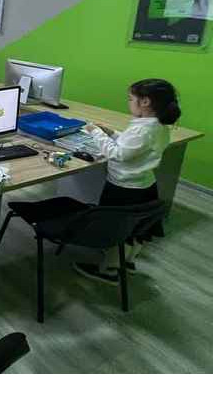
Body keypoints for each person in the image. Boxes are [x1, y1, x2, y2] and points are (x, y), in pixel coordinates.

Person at [73, 78, 181, 283]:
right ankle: (127, 261)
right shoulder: (158, 125)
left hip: (124, 187)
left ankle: (109, 271)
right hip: (144, 184)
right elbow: (133, 145)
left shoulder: (143, 129)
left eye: (131, 99)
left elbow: (118, 154)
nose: (128, 102)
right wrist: (112, 133)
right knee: (136, 228)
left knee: (116, 229)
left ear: (145, 102)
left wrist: (96, 133)